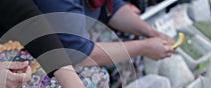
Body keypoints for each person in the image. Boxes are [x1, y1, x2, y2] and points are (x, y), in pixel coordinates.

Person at [34, 0, 175, 67]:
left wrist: (150, 32)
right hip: (44, 57)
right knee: (96, 78)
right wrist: (143, 47)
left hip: (78, 39)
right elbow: (80, 54)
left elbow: (112, 8)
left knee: (133, 40)